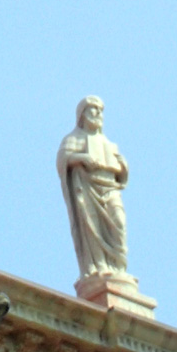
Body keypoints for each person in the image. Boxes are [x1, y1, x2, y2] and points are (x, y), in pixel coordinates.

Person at [56, 96, 131, 279]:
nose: (97, 113)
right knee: (92, 227)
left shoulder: (109, 143)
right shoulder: (73, 138)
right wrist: (81, 158)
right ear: (82, 115)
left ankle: (118, 268)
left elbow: (122, 172)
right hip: (87, 188)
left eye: (100, 110)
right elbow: (62, 160)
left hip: (110, 187)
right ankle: (99, 267)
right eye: (93, 109)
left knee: (119, 222)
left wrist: (122, 166)